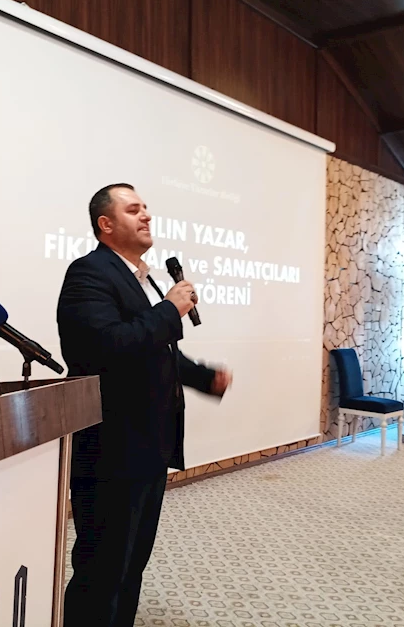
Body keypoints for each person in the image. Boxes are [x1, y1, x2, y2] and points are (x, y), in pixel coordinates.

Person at [58, 183, 232, 627]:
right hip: (112, 450)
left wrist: (203, 377)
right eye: (133, 209)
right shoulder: (89, 273)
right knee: (102, 568)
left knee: (130, 565)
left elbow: (154, 350)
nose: (146, 216)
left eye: (146, 208)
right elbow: (106, 346)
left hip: (147, 448)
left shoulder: (140, 279)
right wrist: (169, 310)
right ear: (106, 224)